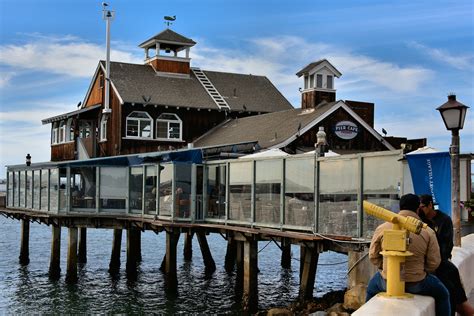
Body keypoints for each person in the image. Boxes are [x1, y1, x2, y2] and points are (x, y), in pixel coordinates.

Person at [366, 193, 451, 316]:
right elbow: (434, 262)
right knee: (443, 294)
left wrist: (387, 267)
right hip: (417, 282)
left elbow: (373, 256)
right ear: (418, 209)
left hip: (387, 281)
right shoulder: (427, 231)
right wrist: (420, 270)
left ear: (400, 207)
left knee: (370, 289)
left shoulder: (382, 228)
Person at [418, 194, 474, 316]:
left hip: (442, 264)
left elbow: (446, 247)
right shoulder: (419, 222)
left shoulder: (444, 220)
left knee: (455, 296)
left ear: (430, 205)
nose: (420, 210)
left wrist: (435, 262)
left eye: (423, 207)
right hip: (431, 266)